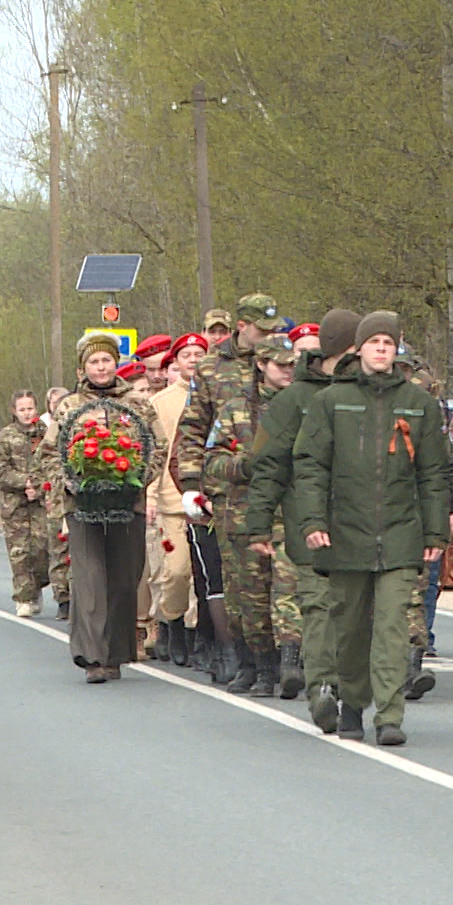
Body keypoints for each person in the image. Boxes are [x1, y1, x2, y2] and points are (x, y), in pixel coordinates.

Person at [292, 311, 448, 746]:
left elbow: (434, 473)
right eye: (374, 341)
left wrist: (435, 533)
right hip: (345, 531)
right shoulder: (331, 401)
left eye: (389, 342)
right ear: (359, 348)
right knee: (351, 627)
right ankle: (353, 703)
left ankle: (390, 715)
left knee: (393, 626)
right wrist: (313, 521)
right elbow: (309, 466)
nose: (381, 349)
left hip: (400, 532)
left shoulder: (418, 404)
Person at [246, 307, 360, 730]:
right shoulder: (293, 400)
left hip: (362, 524)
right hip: (307, 519)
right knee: (317, 607)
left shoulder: (370, 393)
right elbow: (267, 463)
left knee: (355, 611)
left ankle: (353, 688)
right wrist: (257, 522)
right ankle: (323, 688)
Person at [176, 293, 287, 685]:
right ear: (242, 327)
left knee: (281, 583)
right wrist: (190, 484)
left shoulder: (284, 365)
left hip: (281, 495)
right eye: (261, 330)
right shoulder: (211, 368)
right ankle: (248, 661)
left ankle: (285, 662)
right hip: (230, 489)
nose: (269, 336)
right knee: (239, 584)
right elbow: (192, 427)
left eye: (274, 329)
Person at [42, 335, 161, 682]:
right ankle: (91, 655)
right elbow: (50, 453)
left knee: (125, 577)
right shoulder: (69, 407)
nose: (101, 368)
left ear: (115, 364)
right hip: (82, 505)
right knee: (90, 577)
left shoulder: (137, 403)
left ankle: (116, 652)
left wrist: (139, 479)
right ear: (83, 368)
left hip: (129, 502)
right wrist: (70, 482)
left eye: (106, 361)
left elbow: (159, 445)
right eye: (94, 362)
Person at [205, 334, 301, 697]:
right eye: (281, 366)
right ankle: (255, 665)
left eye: (293, 365)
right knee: (248, 598)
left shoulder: (303, 404)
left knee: (290, 591)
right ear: (261, 366)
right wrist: (247, 465)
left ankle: (290, 663)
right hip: (244, 515)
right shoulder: (235, 409)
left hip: (290, 513)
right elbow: (212, 461)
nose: (288, 372)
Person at [148, 332, 207, 665]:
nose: (194, 359)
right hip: (171, 502)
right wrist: (151, 494)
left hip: (206, 503)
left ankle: (198, 633)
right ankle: (171, 620)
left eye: (200, 353)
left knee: (206, 574)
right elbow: (156, 453)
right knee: (176, 570)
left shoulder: (217, 396)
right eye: (187, 354)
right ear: (176, 361)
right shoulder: (162, 402)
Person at [0, 390, 54, 617]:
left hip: (40, 503)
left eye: (30, 408)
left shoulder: (45, 434)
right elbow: (1, 470)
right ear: (14, 411)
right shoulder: (6, 436)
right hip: (14, 504)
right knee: (19, 553)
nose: (27, 413)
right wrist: (23, 482)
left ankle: (37, 585)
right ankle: (24, 598)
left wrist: (37, 485)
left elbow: (52, 464)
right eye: (22, 409)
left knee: (41, 550)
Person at [42, 386, 74, 619]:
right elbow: (45, 458)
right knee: (59, 550)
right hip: (57, 497)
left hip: (79, 496)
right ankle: (63, 598)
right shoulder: (46, 431)